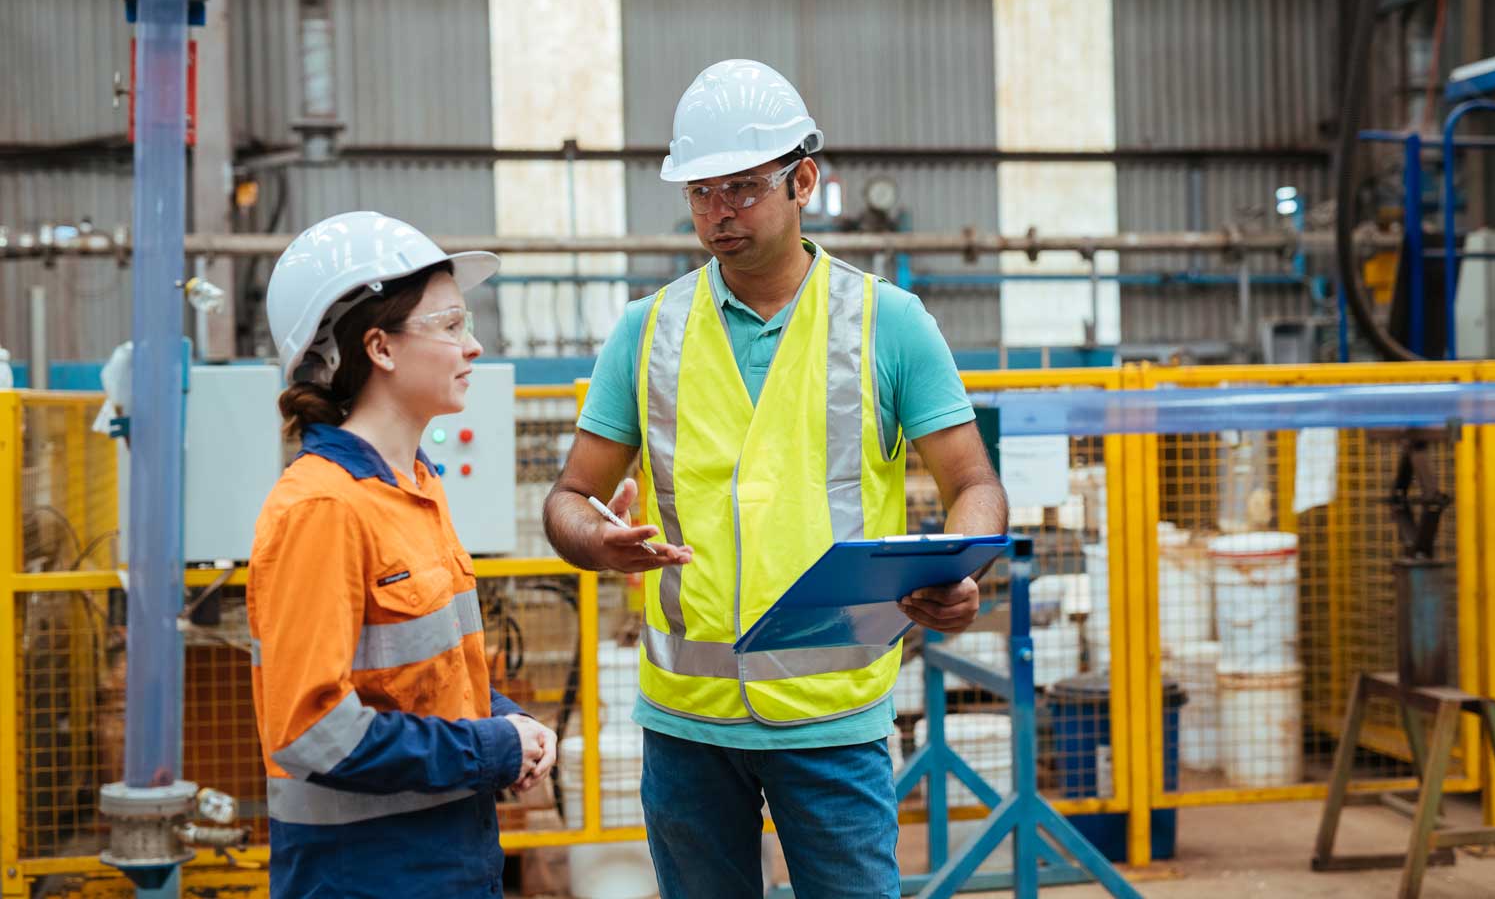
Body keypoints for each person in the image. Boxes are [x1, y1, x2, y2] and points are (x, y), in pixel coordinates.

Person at [542, 60, 1007, 899]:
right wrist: (597, 541)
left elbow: (973, 482)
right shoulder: (646, 333)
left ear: (804, 180)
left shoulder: (888, 324)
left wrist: (958, 570)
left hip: (833, 717)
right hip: (687, 726)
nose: (718, 213)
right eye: (699, 192)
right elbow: (567, 500)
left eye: (743, 188)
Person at [249, 211, 557, 898]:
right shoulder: (323, 509)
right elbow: (312, 732)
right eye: (450, 327)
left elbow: (425, 681)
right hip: (363, 875)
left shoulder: (417, 486)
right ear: (380, 348)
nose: (473, 347)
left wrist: (508, 720)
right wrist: (490, 748)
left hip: (448, 862)